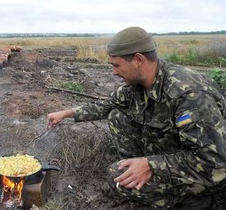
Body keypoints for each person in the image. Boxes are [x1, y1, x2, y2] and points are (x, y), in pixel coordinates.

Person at [46, 26, 226, 209]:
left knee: (117, 177)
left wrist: (151, 165)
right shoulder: (138, 84)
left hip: (206, 172)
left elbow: (214, 162)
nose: (113, 72)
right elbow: (107, 105)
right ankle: (141, 172)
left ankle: (197, 201)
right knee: (117, 116)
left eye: (116, 65)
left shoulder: (189, 95)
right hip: (175, 151)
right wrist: (66, 113)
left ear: (138, 60)